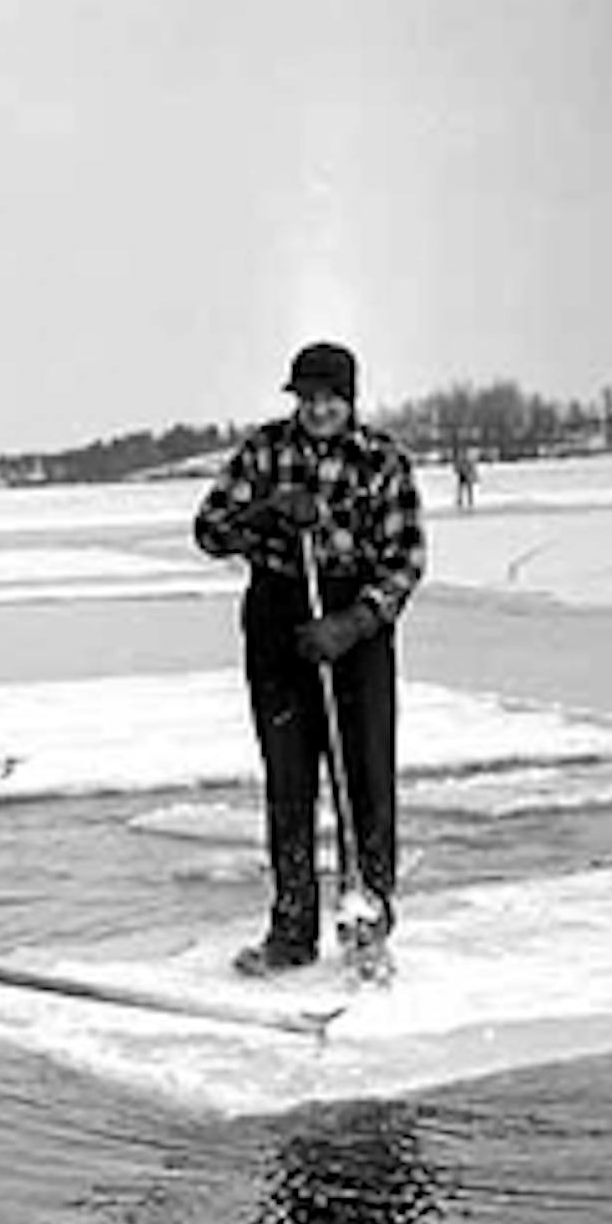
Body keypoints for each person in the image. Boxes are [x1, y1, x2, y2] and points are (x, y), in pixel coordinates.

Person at [192, 342, 426, 977]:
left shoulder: (382, 460)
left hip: (355, 626)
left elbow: (405, 559)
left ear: (350, 399)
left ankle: (366, 931)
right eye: (307, 397)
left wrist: (354, 622)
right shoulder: (264, 451)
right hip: (278, 621)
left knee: (365, 783)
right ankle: (291, 931)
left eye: (330, 398)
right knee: (289, 783)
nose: (318, 409)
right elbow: (210, 531)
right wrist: (263, 511)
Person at [452, 443, 478, 511]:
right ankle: (462, 500)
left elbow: (470, 462)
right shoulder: (461, 453)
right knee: (462, 485)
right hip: (463, 470)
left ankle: (468, 500)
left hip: (466, 470)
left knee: (466, 485)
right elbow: (458, 460)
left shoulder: (468, 454)